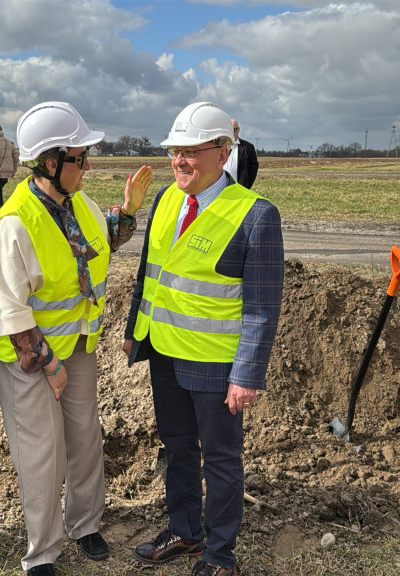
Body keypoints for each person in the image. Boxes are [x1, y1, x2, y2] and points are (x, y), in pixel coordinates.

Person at [0, 101, 152, 576]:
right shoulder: (13, 226)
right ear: (51, 162)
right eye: (79, 157)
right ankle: (43, 551)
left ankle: (85, 522)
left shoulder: (80, 204)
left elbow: (100, 240)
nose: (87, 166)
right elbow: (12, 312)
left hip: (77, 345)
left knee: (84, 436)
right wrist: (49, 366)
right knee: (41, 452)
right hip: (30, 355)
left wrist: (130, 210)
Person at [123, 102, 284, 576]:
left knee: (219, 460)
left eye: (192, 152)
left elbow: (262, 309)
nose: (180, 162)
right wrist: (137, 334)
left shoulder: (255, 216)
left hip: (217, 365)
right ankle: (185, 531)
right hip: (165, 354)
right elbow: (147, 276)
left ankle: (219, 556)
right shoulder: (167, 200)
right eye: (175, 151)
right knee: (176, 448)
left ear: (223, 151)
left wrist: (247, 376)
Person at [224, 119, 258, 189]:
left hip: (239, 189)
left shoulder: (248, 147)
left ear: (238, 130)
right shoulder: (218, 146)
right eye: (229, 130)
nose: (231, 133)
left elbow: (253, 168)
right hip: (220, 190)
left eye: (234, 130)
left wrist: (246, 186)